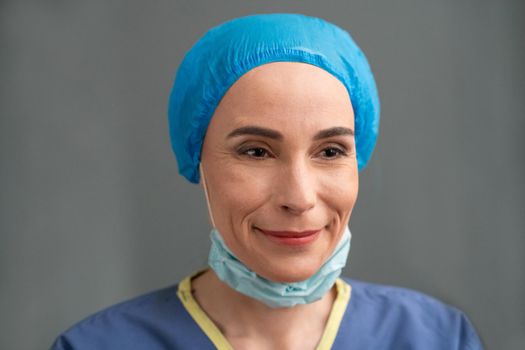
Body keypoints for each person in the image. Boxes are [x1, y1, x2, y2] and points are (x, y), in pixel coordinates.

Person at [51, 13, 483, 349]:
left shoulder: (437, 339)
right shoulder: (97, 345)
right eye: (255, 151)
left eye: (330, 152)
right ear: (196, 159)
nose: (298, 198)